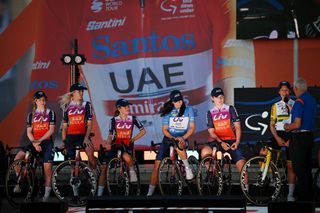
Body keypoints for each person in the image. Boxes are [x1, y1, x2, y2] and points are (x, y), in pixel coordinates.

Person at [147, 90, 196, 196]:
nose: (179, 102)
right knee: (157, 166)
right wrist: (173, 137)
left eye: (180, 100)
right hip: (169, 137)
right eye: (176, 101)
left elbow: (192, 127)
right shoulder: (169, 111)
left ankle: (187, 169)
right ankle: (149, 193)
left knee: (179, 146)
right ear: (172, 102)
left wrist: (182, 137)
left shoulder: (189, 109)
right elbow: (164, 129)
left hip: (182, 138)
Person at [97, 98, 146, 197]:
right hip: (116, 145)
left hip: (127, 145)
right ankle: (99, 194)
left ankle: (131, 171)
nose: (128, 108)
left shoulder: (133, 118)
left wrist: (133, 139)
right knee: (104, 168)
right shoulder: (114, 120)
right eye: (126, 106)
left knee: (127, 157)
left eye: (128, 106)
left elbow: (143, 131)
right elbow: (110, 135)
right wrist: (108, 144)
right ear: (119, 108)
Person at [13, 91, 56, 202]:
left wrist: (39, 141)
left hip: (46, 142)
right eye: (40, 99)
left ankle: (46, 196)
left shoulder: (50, 112)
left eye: (44, 99)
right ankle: (20, 180)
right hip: (34, 141)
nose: (43, 101)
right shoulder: (31, 115)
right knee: (17, 157)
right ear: (35, 101)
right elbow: (29, 132)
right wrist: (35, 143)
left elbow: (51, 130)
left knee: (47, 168)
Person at [59, 83, 97, 199]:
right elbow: (65, 127)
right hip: (71, 136)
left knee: (90, 153)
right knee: (72, 162)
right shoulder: (67, 106)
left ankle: (94, 174)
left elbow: (90, 124)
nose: (81, 93)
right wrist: (64, 141)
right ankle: (76, 184)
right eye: (79, 91)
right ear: (73, 93)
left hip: (83, 135)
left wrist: (86, 137)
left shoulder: (86, 105)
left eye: (82, 91)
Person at [262, 81, 296, 201]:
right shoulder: (275, 106)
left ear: (290, 91)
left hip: (291, 134)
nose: (284, 92)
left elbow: (297, 122)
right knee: (264, 151)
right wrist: (277, 138)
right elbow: (271, 125)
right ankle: (270, 177)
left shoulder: (295, 103)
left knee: (290, 166)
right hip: (279, 133)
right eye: (282, 90)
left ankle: (290, 194)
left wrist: (289, 107)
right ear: (279, 92)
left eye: (286, 90)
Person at [284, 78, 317, 201]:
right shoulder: (313, 100)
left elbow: (297, 124)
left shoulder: (299, 101)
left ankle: (303, 200)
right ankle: (310, 198)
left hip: (299, 138)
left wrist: (287, 127)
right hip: (309, 137)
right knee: (307, 169)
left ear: (296, 89)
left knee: (299, 169)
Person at [202, 87, 245, 175]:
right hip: (218, 142)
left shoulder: (230, 109)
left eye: (221, 96)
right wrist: (221, 142)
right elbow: (211, 132)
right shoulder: (210, 113)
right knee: (205, 151)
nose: (220, 99)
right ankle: (214, 177)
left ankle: (246, 187)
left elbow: (238, 127)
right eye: (217, 97)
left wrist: (237, 142)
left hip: (232, 141)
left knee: (242, 166)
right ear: (212, 98)